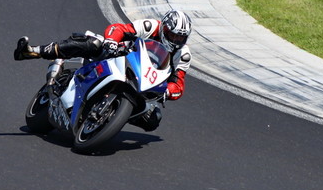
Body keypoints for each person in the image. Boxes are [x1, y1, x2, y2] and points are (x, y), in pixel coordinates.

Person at [13, 9, 193, 131]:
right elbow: (119, 28)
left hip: (144, 82)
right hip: (121, 56)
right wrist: (112, 41)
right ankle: (34, 51)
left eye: (181, 37)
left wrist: (166, 92)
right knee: (94, 43)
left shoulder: (183, 55)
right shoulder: (150, 26)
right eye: (173, 34)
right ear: (164, 28)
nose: (176, 40)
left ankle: (111, 117)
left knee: (154, 119)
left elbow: (179, 84)